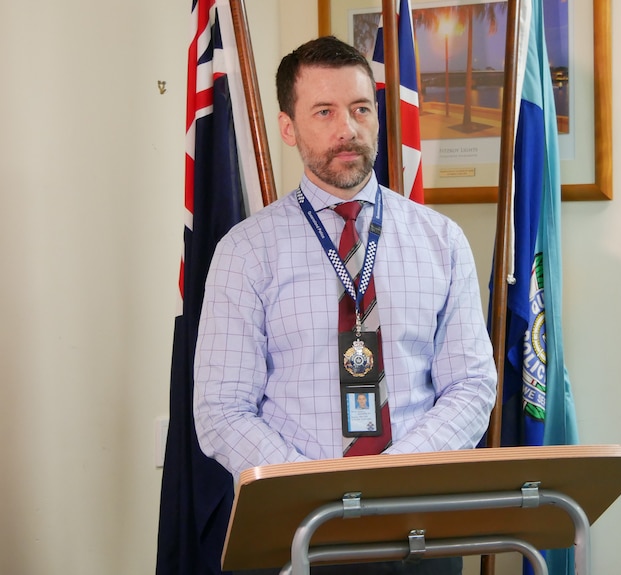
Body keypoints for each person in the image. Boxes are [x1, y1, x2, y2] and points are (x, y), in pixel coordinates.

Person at [193, 35, 497, 575]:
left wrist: (395, 477)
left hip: (418, 526)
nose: (347, 130)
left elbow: (471, 384)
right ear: (288, 127)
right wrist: (314, 490)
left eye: (360, 109)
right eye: (324, 112)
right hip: (296, 531)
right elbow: (221, 409)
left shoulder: (441, 240)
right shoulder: (245, 251)